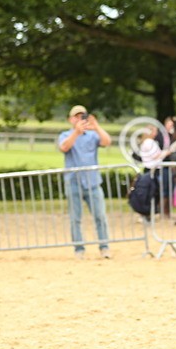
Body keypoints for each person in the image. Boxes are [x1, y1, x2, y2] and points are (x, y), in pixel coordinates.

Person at [58, 105, 113, 259]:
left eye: (82, 116)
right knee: (75, 218)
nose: (79, 119)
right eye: (76, 116)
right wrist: (76, 132)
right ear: (71, 119)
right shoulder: (65, 135)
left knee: (100, 216)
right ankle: (79, 249)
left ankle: (104, 247)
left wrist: (96, 127)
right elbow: (64, 147)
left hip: (93, 181)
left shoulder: (93, 135)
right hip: (73, 182)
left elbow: (107, 141)